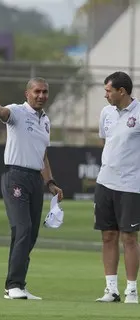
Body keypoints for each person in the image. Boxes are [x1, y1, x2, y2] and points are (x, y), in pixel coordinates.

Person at [0, 77, 63, 300]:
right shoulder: (17, 111)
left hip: (35, 179)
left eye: (45, 92)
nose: (41, 96)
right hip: (16, 176)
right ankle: (13, 286)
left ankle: (17, 284)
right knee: (23, 228)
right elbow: (3, 114)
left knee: (31, 235)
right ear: (27, 93)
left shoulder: (46, 120)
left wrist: (50, 182)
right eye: (37, 91)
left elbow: (43, 155)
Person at [95, 71, 140, 304]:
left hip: (131, 185)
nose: (106, 95)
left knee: (129, 237)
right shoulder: (106, 113)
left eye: (108, 91)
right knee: (108, 235)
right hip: (105, 182)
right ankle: (111, 290)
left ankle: (131, 290)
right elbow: (107, 142)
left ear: (121, 91)